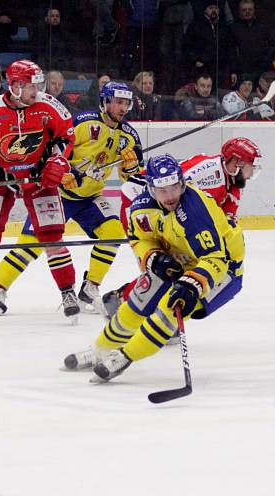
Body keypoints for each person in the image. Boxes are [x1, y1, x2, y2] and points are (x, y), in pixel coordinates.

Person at [63, 154, 246, 383]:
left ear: (182, 183)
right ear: (150, 189)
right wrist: (154, 258)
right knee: (135, 304)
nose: (169, 196)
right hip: (179, 257)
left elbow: (215, 259)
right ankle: (99, 349)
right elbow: (140, 239)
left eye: (174, 187)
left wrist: (191, 286)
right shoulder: (141, 208)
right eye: (162, 190)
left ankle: (124, 356)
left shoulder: (196, 211)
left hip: (224, 270)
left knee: (167, 311)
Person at [0, 81, 142, 318]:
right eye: (118, 102)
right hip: (57, 194)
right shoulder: (84, 122)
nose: (122, 107)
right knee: (30, 245)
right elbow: (53, 147)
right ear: (105, 101)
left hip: (89, 197)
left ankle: (90, 290)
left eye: (126, 103)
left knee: (113, 233)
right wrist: (62, 171)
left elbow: (132, 178)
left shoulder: (128, 136)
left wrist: (132, 167)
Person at [0, 59, 77, 324]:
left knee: (52, 235)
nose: (38, 91)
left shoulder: (48, 105)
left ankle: (68, 292)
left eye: (39, 85)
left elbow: (66, 135)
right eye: (32, 86)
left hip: (39, 176)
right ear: (15, 86)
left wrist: (58, 161)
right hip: (0, 176)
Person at [98, 137, 262, 317]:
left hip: (166, 210)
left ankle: (131, 302)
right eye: (250, 167)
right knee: (161, 266)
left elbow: (223, 225)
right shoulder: (206, 171)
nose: (252, 173)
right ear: (236, 163)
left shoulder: (233, 185)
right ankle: (124, 304)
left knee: (179, 265)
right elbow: (162, 189)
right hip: (138, 198)